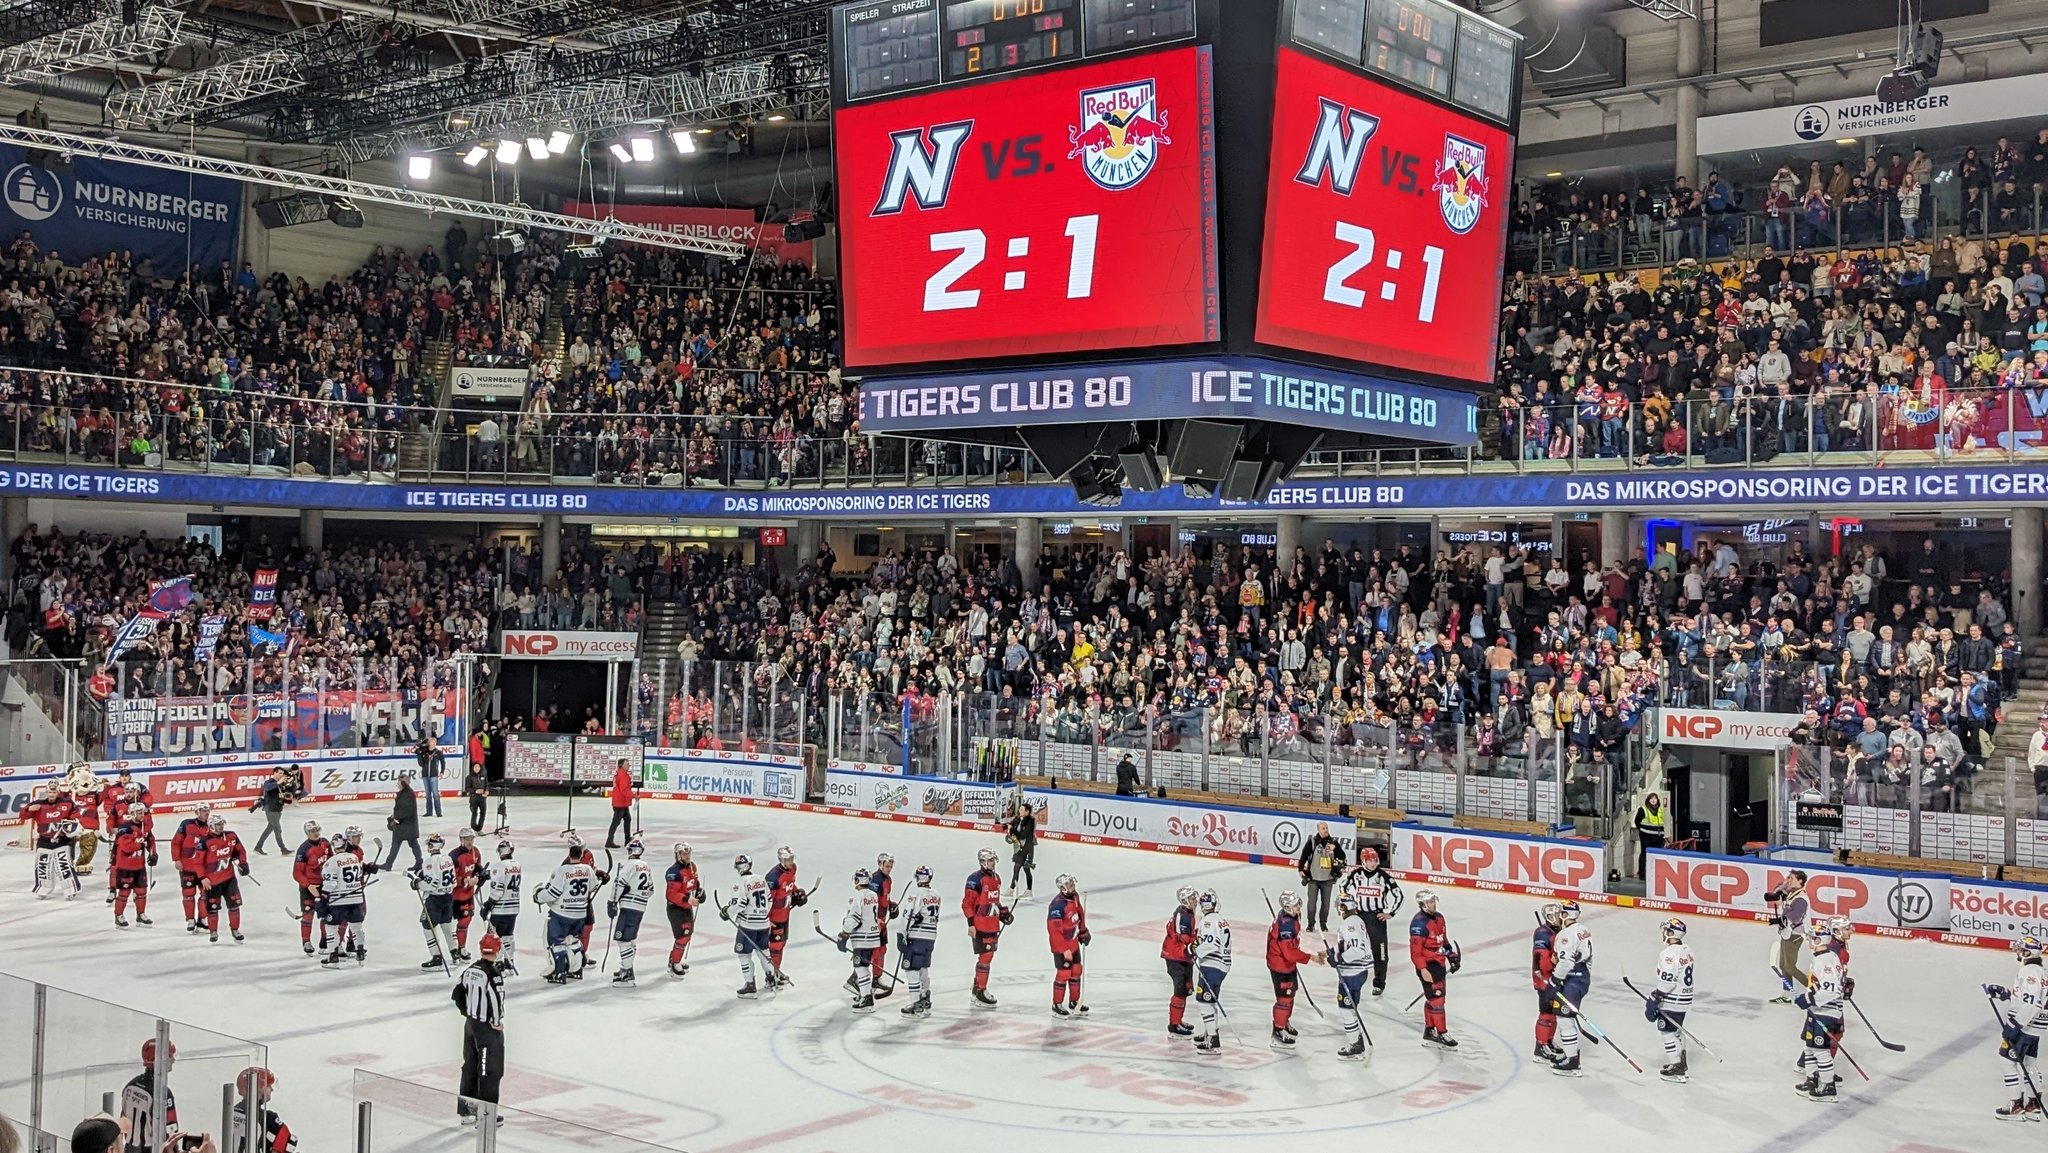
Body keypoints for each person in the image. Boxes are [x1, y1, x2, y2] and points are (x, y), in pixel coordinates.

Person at [1985, 933, 2047, 1119]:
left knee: (2006, 1061)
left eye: (2020, 949)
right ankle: (2033, 1104)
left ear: (2028, 953)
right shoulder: (2041, 972)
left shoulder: (2029, 972)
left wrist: (2015, 1025)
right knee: (2029, 1063)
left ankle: (2015, 1107)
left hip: (2026, 1026)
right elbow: (2028, 998)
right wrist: (2007, 995)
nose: (2017, 952)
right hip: (2037, 1027)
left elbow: (2031, 1003)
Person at [452, 932, 509, 1126]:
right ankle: (486, 1115)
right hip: (487, 1029)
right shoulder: (493, 974)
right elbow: (496, 998)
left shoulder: (469, 970)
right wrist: (496, 1020)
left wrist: (467, 1013)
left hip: (470, 1025)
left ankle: (467, 1110)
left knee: (470, 1065)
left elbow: (457, 993)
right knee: (490, 1070)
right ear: (498, 949)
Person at [1794, 921, 1846, 1102]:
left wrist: (1808, 999)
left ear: (1820, 940)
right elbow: (1818, 986)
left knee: (1820, 1050)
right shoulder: (1822, 957)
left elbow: (1830, 991)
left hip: (1827, 1012)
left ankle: (1827, 1088)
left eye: (1812, 938)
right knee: (1809, 1048)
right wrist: (1807, 996)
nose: (1809, 940)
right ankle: (1812, 1079)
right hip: (1818, 1010)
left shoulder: (1826, 960)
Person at [1340, 846, 1403, 996]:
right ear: (1363, 861)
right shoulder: (1356, 874)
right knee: (1356, 948)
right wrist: (1349, 907)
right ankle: (1354, 978)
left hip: (1376, 919)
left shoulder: (1384, 876)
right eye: (1369, 860)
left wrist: (1390, 913)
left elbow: (1399, 895)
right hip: (1359, 917)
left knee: (1380, 953)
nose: (1373, 863)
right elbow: (1343, 887)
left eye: (1375, 860)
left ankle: (1379, 983)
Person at [535, 839, 598, 984]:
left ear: (569, 855)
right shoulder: (587, 869)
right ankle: (576, 971)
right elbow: (593, 886)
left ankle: (559, 973)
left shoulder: (563, 870)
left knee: (557, 942)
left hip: (562, 914)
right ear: (582, 854)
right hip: (580, 913)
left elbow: (553, 893)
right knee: (574, 941)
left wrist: (538, 896)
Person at [1409, 888, 1460, 1049]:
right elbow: (1415, 952)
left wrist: (1451, 957)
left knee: (1433, 998)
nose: (1433, 905)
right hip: (1428, 965)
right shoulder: (1419, 924)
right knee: (1437, 999)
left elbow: (1443, 941)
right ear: (1423, 905)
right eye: (1430, 902)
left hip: (1439, 963)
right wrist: (1423, 969)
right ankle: (1442, 1033)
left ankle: (1430, 1031)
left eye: (1433, 901)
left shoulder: (1439, 918)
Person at [1265, 890, 1317, 1047]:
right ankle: (1278, 1031)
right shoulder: (1286, 924)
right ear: (1287, 907)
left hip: (1287, 965)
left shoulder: (1291, 918)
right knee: (1284, 998)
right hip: (1281, 966)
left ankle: (1284, 1021)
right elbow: (1288, 953)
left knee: (1290, 994)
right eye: (1295, 906)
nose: (1298, 908)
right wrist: (1309, 957)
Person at [319, 826, 377, 966]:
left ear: (334, 847)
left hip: (339, 901)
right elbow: (359, 874)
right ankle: (360, 952)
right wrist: (368, 868)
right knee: (356, 927)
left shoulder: (331, 862)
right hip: (356, 898)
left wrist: (322, 899)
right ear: (346, 844)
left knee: (331, 927)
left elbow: (331, 883)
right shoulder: (354, 857)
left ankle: (333, 956)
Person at [1549, 899, 1593, 1074]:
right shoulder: (1583, 930)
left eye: (1561, 912)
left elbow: (1566, 962)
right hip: (1582, 977)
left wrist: (1555, 980)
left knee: (1564, 1019)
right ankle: (1570, 1056)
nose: (1558, 916)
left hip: (1572, 980)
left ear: (1566, 915)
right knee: (1566, 1017)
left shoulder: (1565, 935)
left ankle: (1573, 1062)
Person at [1648, 917, 1695, 1083]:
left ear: (1670, 933)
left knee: (1666, 1030)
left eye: (1666, 930)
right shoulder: (1687, 949)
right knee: (1676, 1030)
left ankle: (1677, 1067)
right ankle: (1681, 1063)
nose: (1663, 933)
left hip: (1672, 998)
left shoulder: (1668, 954)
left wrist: (1656, 996)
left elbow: (1668, 981)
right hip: (1685, 996)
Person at [963, 847, 1011, 1006]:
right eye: (990, 860)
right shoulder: (975, 879)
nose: (993, 863)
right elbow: (967, 904)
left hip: (993, 924)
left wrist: (1003, 913)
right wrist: (971, 924)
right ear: (983, 861)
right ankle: (980, 990)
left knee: (988, 956)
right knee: (985, 956)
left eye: (993, 860)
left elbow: (995, 901)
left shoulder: (996, 878)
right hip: (980, 924)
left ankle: (978, 987)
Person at [724, 853, 775, 996]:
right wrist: (762, 915)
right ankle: (772, 979)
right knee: (764, 951)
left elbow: (740, 904)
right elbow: (769, 900)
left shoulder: (739, 883)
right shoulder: (761, 879)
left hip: (748, 924)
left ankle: (750, 985)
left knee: (744, 955)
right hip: (764, 923)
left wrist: (727, 912)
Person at [195, 813, 250, 944]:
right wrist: (202, 877)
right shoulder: (204, 841)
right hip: (212, 882)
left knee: (234, 905)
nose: (221, 827)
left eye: (222, 824)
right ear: (211, 826)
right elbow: (197, 862)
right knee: (213, 907)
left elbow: (241, 850)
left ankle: (235, 930)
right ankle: (213, 931)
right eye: (218, 825)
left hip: (229, 878)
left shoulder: (231, 835)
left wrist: (243, 863)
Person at [607, 837, 655, 985]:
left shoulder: (628, 865)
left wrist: (612, 902)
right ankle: (626, 968)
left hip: (628, 907)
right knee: (629, 939)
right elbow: (651, 890)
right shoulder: (646, 866)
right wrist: (638, 894)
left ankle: (627, 974)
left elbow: (619, 883)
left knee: (623, 940)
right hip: (640, 907)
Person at [1332, 892, 1374, 1061]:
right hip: (1357, 971)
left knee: (1346, 1009)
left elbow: (1358, 950)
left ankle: (1355, 1046)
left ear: (1344, 907)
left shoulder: (1350, 924)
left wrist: (1338, 958)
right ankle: (1357, 1040)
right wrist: (1334, 954)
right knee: (1350, 1008)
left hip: (1352, 972)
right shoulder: (1356, 921)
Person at [898, 865, 943, 1017]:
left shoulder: (915, 893)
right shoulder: (936, 895)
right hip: (930, 937)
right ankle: (925, 998)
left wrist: (901, 934)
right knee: (923, 968)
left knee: (911, 970)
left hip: (916, 937)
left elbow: (909, 915)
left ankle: (916, 1003)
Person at [838, 868, 883, 1012]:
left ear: (858, 880)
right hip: (873, 937)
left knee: (860, 967)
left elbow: (854, 917)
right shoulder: (873, 895)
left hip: (861, 938)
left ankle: (866, 998)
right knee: (863, 965)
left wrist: (844, 933)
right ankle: (865, 994)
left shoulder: (857, 896)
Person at [1192, 889, 1232, 1054]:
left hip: (1212, 965)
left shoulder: (1208, 922)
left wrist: (1195, 950)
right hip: (1222, 965)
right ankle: (1210, 1034)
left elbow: (1211, 944)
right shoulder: (1221, 919)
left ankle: (1212, 1040)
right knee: (1210, 1001)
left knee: (1204, 1002)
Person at [1046, 873, 1090, 1017]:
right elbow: (1054, 931)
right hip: (1061, 946)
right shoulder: (1058, 905)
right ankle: (1057, 1004)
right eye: (1070, 885)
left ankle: (1074, 1001)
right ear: (1063, 888)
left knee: (1076, 970)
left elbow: (1080, 914)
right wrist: (1063, 949)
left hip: (1073, 942)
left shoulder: (1075, 897)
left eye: (1073, 884)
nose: (1073, 886)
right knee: (1064, 973)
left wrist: (1083, 931)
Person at [415, 833, 459, 971]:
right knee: (447, 926)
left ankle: (437, 958)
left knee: (428, 927)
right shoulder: (448, 859)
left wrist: (417, 883)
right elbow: (453, 881)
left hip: (435, 899)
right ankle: (455, 953)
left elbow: (431, 884)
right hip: (448, 897)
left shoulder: (429, 862)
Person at [227, 1067, 297, 1152]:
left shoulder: (231, 1112)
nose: (272, 1089)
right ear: (259, 1088)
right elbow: (287, 1143)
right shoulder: (269, 1119)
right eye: (269, 1085)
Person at [1768, 870, 1812, 1002]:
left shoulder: (1801, 899)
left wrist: (1782, 907)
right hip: (1787, 933)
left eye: (1791, 878)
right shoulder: (1792, 893)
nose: (1789, 880)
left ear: (1800, 881)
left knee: (1789, 967)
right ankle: (1786, 995)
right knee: (1783, 965)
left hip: (1795, 935)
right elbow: (1776, 892)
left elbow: (1794, 917)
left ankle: (1814, 989)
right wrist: (1784, 885)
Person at [1161, 886, 1199, 1037]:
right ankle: (1174, 1024)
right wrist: (1195, 942)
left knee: (1185, 989)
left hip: (1182, 956)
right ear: (1185, 900)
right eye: (1192, 898)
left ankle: (1178, 1020)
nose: (1195, 900)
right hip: (1175, 957)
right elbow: (1183, 937)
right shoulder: (1182, 915)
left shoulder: (1188, 913)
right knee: (1180, 988)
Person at [480, 839, 523, 971]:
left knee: (494, 936)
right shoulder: (517, 865)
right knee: (508, 935)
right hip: (514, 906)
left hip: (500, 909)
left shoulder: (498, 866)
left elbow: (498, 890)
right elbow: (505, 876)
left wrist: (488, 905)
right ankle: (509, 962)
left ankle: (497, 964)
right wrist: (488, 875)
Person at [109, 807, 155, 929]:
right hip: (125, 866)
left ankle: (141, 914)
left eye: (143, 813)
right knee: (124, 892)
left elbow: (150, 840)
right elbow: (126, 847)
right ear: (132, 813)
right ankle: (118, 916)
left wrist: (153, 853)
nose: (142, 815)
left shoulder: (145, 827)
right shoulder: (125, 828)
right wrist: (140, 844)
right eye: (139, 813)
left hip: (139, 865)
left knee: (141, 891)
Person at [764, 845, 803, 985]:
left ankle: (776, 971)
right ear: (781, 859)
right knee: (775, 946)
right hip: (774, 918)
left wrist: (797, 893)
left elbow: (791, 885)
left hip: (785, 915)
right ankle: (770, 976)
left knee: (782, 944)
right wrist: (766, 919)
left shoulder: (793, 868)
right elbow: (767, 900)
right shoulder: (773, 877)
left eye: (792, 858)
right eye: (787, 859)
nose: (790, 862)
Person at [291, 821, 331, 956]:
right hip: (308, 887)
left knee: (326, 915)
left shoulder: (326, 843)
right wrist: (309, 886)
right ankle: (306, 941)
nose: (315, 833)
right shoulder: (303, 849)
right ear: (307, 833)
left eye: (317, 830)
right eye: (312, 831)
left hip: (325, 885)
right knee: (308, 915)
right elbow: (297, 873)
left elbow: (332, 861)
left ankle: (325, 940)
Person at [170, 803, 213, 929]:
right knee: (188, 893)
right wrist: (176, 859)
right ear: (197, 812)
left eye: (207, 810)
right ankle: (190, 919)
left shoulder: (212, 826)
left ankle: (202, 919)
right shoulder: (186, 824)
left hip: (204, 867)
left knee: (206, 894)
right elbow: (176, 842)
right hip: (187, 865)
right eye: (203, 810)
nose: (206, 812)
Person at [663, 843, 703, 977]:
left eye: (688, 853)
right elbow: (671, 894)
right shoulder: (673, 872)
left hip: (687, 907)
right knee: (683, 935)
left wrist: (700, 894)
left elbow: (695, 884)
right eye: (684, 854)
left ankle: (674, 959)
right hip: (676, 908)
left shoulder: (693, 867)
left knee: (687, 935)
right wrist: (687, 899)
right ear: (678, 855)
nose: (687, 856)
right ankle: (675, 964)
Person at [1295, 823, 1344, 932]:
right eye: (1323, 828)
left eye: (1326, 828)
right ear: (1318, 829)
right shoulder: (1312, 842)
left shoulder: (1333, 842)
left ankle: (1323, 924)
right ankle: (1310, 924)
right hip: (1313, 878)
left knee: (1325, 904)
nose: (1325, 830)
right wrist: (1300, 869)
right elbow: (1304, 856)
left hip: (1328, 879)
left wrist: (1335, 848)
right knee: (1311, 904)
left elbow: (1342, 856)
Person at [1531, 903, 1565, 1062]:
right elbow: (1543, 963)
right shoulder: (1542, 934)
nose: (1562, 918)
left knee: (1553, 1012)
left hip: (1554, 978)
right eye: (1559, 915)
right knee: (1546, 1012)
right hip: (1544, 979)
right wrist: (1556, 962)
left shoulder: (1556, 932)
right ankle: (1540, 1046)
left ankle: (1548, 1040)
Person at [449, 829, 484, 961]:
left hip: (468, 894)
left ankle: (461, 947)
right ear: (461, 840)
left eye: (471, 839)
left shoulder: (476, 851)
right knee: (449, 924)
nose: (470, 842)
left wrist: (479, 876)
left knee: (466, 921)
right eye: (467, 839)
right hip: (455, 896)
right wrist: (464, 881)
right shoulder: (454, 857)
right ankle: (453, 948)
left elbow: (477, 868)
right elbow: (450, 878)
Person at [867, 853, 898, 997]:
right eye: (887, 866)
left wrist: (891, 905)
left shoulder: (887, 880)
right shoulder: (875, 879)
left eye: (891, 866)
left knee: (881, 950)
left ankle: (876, 978)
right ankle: (858, 978)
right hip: (874, 922)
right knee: (871, 951)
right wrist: (875, 919)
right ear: (880, 865)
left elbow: (885, 899)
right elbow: (870, 901)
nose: (889, 868)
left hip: (881, 921)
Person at [380, 774, 422, 872]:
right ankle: (389, 864)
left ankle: (389, 864)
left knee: (406, 843)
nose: (397, 784)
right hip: (406, 825)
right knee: (399, 844)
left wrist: (395, 819)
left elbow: (404, 810)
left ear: (403, 783)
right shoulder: (405, 793)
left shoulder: (407, 794)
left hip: (406, 825)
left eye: (398, 782)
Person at [249, 771, 288, 856]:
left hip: (277, 810)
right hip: (270, 810)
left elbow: (279, 796)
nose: (281, 775)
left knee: (269, 828)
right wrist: (278, 783)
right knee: (278, 830)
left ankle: (258, 847)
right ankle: (283, 849)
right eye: (280, 773)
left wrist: (284, 799)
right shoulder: (269, 782)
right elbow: (267, 788)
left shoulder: (280, 785)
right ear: (275, 773)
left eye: (282, 774)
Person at [1006, 801, 1037, 899]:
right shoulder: (1018, 819)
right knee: (1020, 868)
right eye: (1020, 809)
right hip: (1019, 848)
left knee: (1023, 868)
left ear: (1027, 812)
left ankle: (1021, 890)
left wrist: (1012, 830)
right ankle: (1016, 890)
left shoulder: (1030, 821)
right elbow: (1011, 824)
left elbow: (1023, 835)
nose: (1020, 811)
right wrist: (1007, 827)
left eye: (1022, 810)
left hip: (1027, 848)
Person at [1632, 790, 1667, 878]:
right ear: (1648, 800)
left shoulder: (1660, 809)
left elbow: (1662, 823)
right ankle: (1642, 873)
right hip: (1646, 836)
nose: (1653, 800)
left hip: (1658, 837)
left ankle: (1655, 873)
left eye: (1655, 798)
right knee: (1644, 854)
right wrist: (1642, 830)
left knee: (1657, 855)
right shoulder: (1643, 809)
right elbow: (1637, 821)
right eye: (1651, 799)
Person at [605, 759, 634, 848]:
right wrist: (633, 796)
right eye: (627, 764)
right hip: (620, 802)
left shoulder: (619, 773)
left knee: (627, 819)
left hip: (621, 802)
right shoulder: (623, 775)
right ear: (621, 765)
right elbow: (624, 789)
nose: (629, 765)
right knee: (616, 822)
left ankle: (627, 839)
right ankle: (609, 841)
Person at [417, 738, 446, 820]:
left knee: (435, 794)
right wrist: (419, 755)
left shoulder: (438, 752)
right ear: (429, 743)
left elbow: (443, 762)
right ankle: (429, 811)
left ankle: (438, 811)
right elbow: (421, 764)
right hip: (425, 775)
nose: (433, 744)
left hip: (434, 775)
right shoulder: (424, 752)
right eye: (432, 742)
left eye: (434, 742)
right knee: (428, 794)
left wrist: (442, 772)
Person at [463, 759, 490, 834]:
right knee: (474, 813)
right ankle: (474, 828)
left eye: (478, 767)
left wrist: (487, 791)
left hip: (482, 798)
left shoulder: (483, 776)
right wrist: (475, 791)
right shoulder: (469, 777)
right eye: (475, 767)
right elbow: (467, 788)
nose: (477, 768)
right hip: (474, 798)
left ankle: (479, 829)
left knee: (483, 814)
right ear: (473, 768)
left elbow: (487, 785)